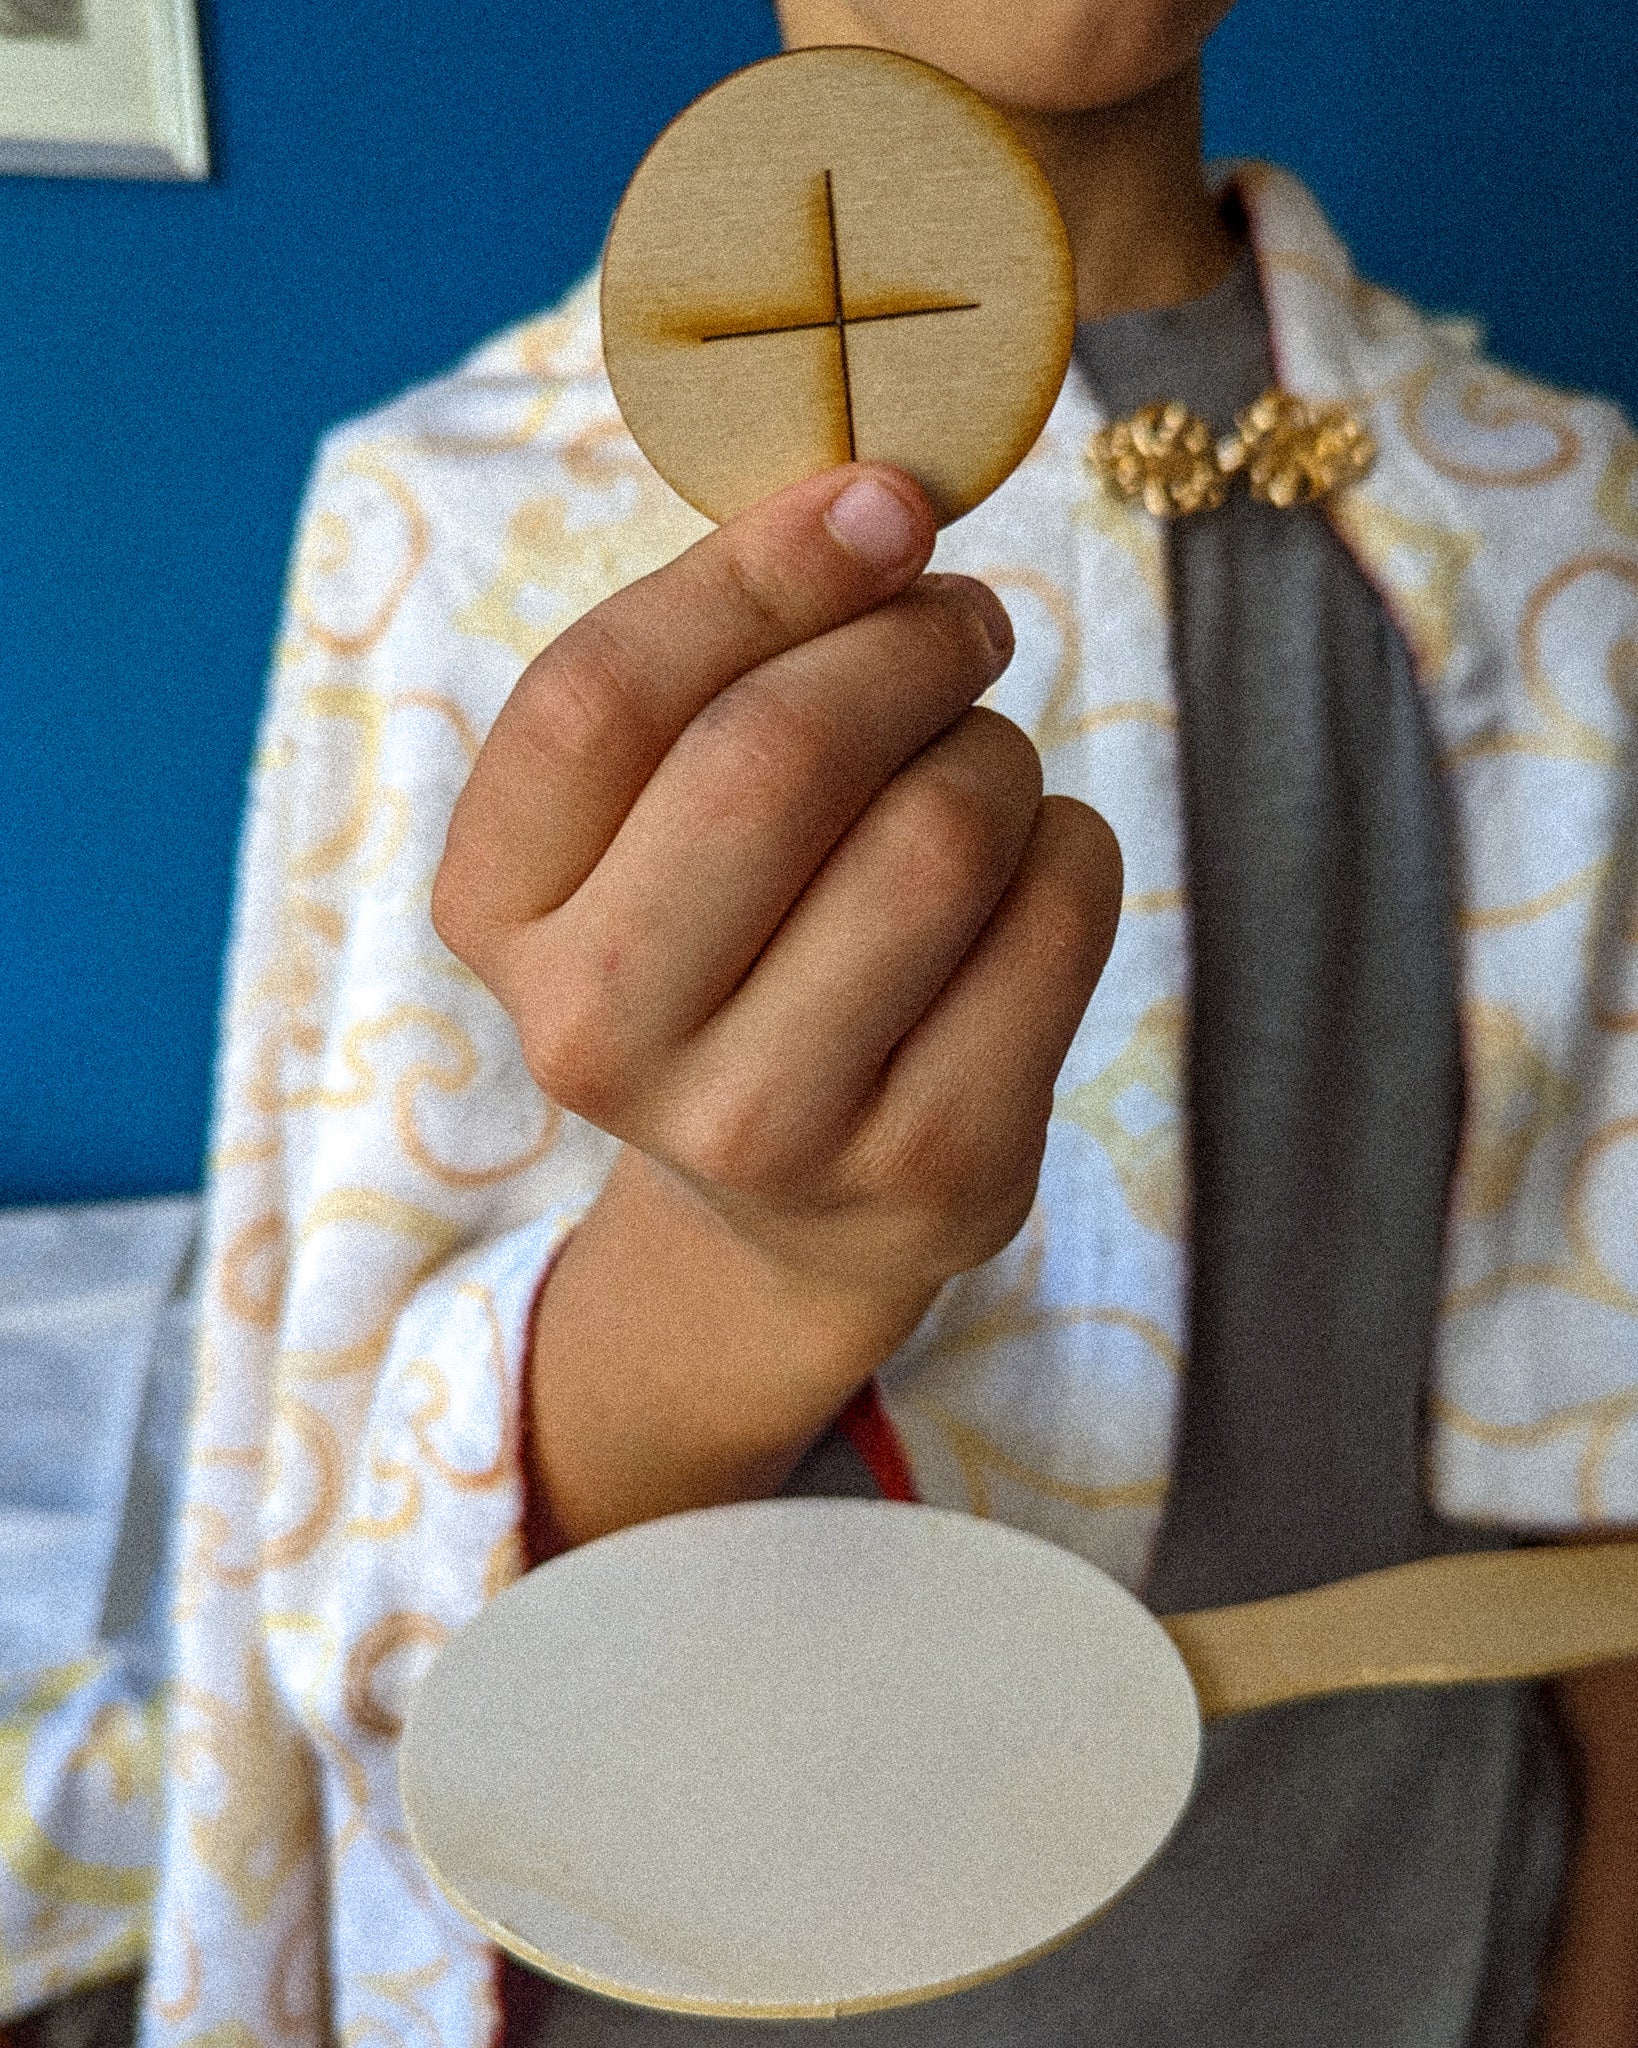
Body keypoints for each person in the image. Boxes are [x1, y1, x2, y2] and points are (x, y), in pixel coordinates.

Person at [122, 1, 1638, 2044]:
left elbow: (1602, 1391)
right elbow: (333, 1495)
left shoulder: (1566, 520)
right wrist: (753, 1258)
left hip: (1410, 1933)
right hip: (712, 1945)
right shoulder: (449, 529)